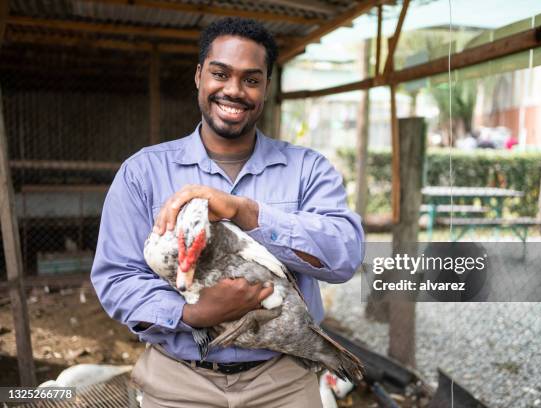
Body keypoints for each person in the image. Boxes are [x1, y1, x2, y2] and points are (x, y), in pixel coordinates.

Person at [91, 17, 364, 408]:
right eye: (220, 74)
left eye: (251, 80)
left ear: (266, 87)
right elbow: (116, 278)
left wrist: (246, 212)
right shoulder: (142, 173)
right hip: (177, 381)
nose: (234, 90)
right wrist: (193, 312)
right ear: (200, 75)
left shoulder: (308, 169)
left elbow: (345, 257)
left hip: (283, 381)